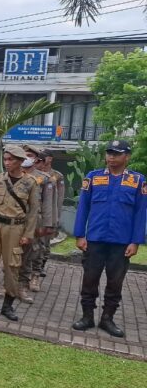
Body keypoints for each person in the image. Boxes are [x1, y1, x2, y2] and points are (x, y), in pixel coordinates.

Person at [71, 140, 147, 338]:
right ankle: (87, 316)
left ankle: (107, 319)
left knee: (115, 283)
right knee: (89, 280)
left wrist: (135, 241)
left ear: (127, 156)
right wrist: (80, 235)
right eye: (109, 153)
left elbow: (140, 213)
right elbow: (83, 208)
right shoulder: (93, 178)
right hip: (95, 240)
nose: (111, 157)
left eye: (117, 154)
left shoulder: (138, 181)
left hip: (121, 243)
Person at [0, 146, 39, 321]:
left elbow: (33, 211)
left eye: (11, 160)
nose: (7, 163)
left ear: (20, 161)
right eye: (6, 159)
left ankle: (8, 305)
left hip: (15, 228)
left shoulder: (30, 182)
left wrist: (28, 234)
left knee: (12, 266)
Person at [18, 145, 56, 301]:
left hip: (35, 221)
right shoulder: (14, 176)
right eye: (24, 155)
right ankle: (10, 283)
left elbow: (48, 204)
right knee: (13, 253)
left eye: (29, 155)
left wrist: (48, 224)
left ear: (36, 159)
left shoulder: (44, 179)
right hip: (16, 220)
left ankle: (24, 284)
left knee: (32, 252)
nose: (26, 158)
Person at [40, 149, 65, 277]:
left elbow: (60, 198)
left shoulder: (57, 175)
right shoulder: (34, 172)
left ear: (50, 159)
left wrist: (56, 217)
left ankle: (42, 266)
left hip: (50, 212)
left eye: (45, 157)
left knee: (45, 242)